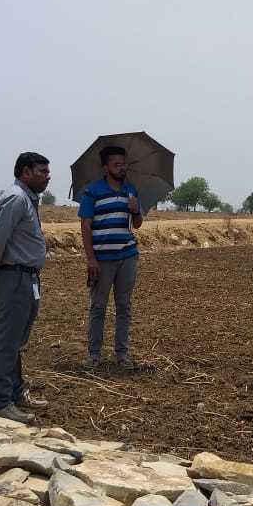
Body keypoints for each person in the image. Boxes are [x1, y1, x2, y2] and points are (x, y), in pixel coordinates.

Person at [0, 152, 52, 423]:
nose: (48, 176)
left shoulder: (27, 200)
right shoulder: (16, 199)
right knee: (7, 342)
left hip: (28, 279)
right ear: (26, 172)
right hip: (15, 278)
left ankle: (16, 392)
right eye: (42, 171)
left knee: (17, 341)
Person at [78, 145, 144, 370]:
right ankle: (94, 355)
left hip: (128, 256)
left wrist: (135, 209)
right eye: (117, 164)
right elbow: (85, 225)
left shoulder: (131, 190)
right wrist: (91, 259)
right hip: (102, 260)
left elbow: (137, 224)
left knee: (124, 306)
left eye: (123, 164)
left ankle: (122, 354)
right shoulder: (92, 191)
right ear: (105, 167)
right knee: (98, 306)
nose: (122, 167)